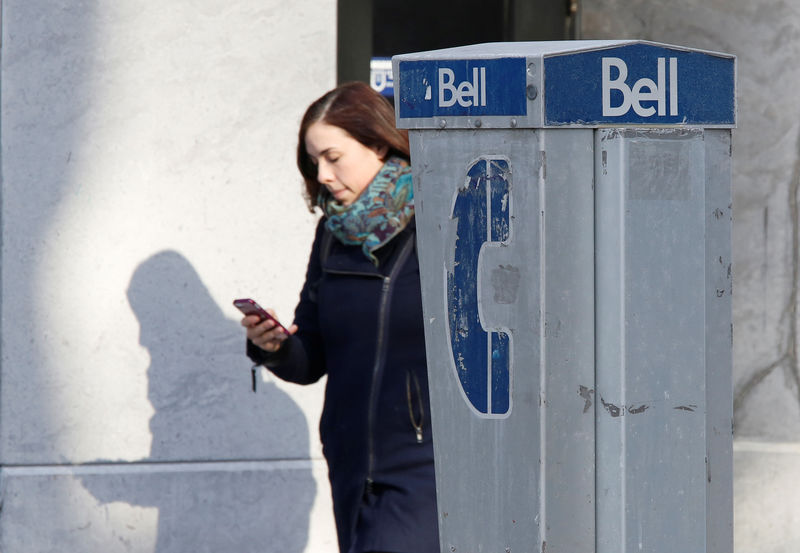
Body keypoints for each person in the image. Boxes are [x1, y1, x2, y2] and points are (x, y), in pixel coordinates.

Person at [241, 82, 439, 553]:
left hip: (424, 464)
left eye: (333, 156)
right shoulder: (332, 235)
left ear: (377, 143)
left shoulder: (440, 222)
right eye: (314, 162)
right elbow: (311, 358)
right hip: (350, 462)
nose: (323, 174)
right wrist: (276, 347)